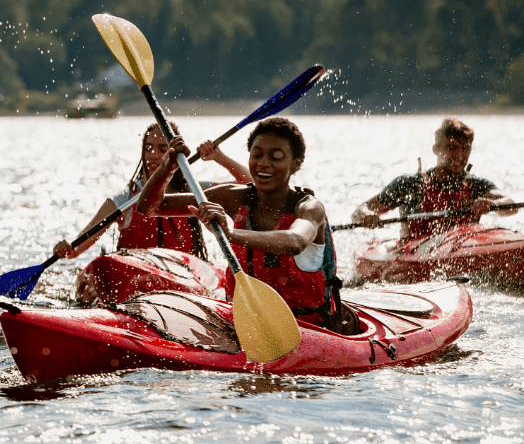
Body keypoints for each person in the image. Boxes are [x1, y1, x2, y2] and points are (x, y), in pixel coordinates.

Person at [140, 117, 358, 334]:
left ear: (296, 163)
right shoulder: (233, 197)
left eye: (277, 157)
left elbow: (295, 242)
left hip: (310, 330)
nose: (263, 163)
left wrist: (230, 234)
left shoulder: (310, 208)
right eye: (257, 155)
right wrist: (168, 167)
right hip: (243, 327)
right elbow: (150, 207)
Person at [53, 122, 252, 259]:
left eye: (162, 148)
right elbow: (79, 247)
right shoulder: (123, 199)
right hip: (133, 271)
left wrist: (220, 157)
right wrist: (68, 249)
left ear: (175, 154)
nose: (153, 155)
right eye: (148, 148)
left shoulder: (196, 191)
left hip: (185, 273)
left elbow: (247, 185)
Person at [350, 117, 515, 240]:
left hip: (463, 248)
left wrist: (494, 205)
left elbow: (510, 204)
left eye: (465, 149)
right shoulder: (410, 184)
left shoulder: (476, 185)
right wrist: (367, 216)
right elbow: (361, 209)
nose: (459, 156)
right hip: (413, 253)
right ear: (436, 149)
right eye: (451, 148)